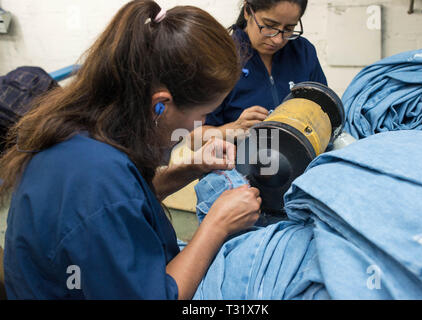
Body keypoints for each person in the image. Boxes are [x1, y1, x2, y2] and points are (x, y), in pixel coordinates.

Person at [0, 0, 261, 300]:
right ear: (160, 105)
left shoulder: (89, 128)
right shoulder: (96, 180)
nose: (200, 125)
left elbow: (128, 200)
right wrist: (217, 224)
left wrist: (189, 169)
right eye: (202, 114)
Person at [199, 0, 327, 142]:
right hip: (238, 161)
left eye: (289, 28)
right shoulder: (220, 58)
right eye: (269, 26)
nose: (278, 40)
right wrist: (232, 129)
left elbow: (326, 115)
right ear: (248, 11)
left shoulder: (303, 53)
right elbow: (192, 138)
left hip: (301, 159)